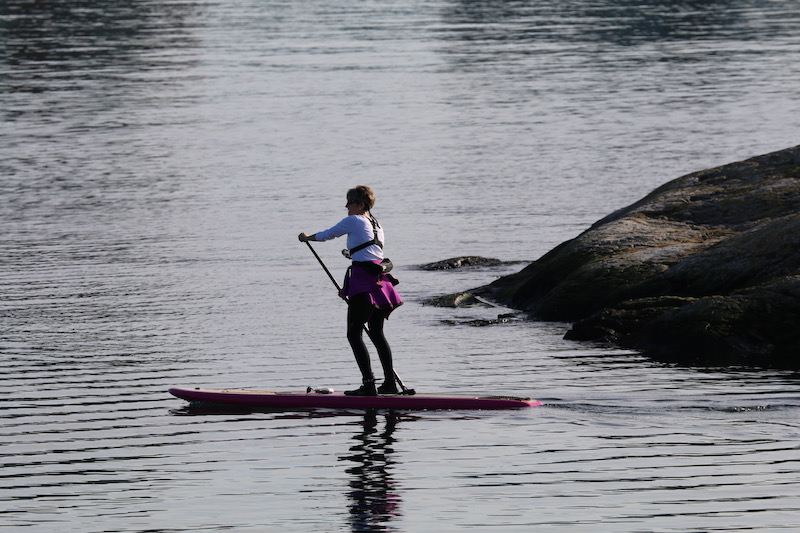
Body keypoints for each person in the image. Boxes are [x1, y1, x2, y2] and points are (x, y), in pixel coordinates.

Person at [298, 186, 403, 396]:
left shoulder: (354, 220)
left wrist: (307, 238)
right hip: (379, 283)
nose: (346, 206)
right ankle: (389, 384)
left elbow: (329, 234)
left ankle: (368, 385)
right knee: (376, 333)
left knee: (354, 334)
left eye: (350, 202)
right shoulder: (376, 224)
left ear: (361, 205)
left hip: (365, 282)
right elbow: (366, 254)